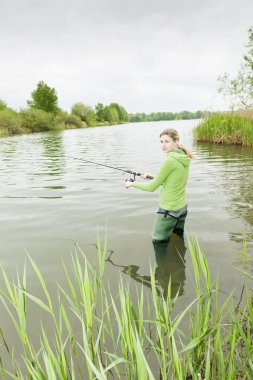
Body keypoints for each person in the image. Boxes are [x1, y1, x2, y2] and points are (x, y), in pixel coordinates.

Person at [125, 128, 195, 242]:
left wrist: (132, 183)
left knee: (158, 242)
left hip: (169, 211)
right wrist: (149, 176)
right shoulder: (183, 156)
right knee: (178, 239)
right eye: (161, 141)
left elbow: (151, 188)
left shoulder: (170, 160)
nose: (163, 145)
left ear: (176, 141)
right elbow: (172, 179)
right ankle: (179, 259)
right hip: (182, 209)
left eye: (167, 141)